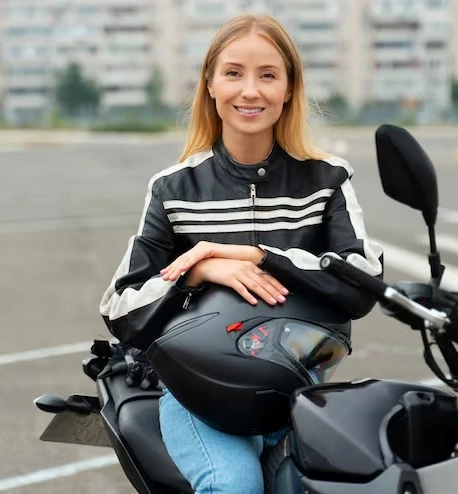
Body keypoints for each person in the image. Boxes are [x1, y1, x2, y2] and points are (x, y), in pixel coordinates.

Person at [99, 13, 384, 494]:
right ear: (210, 84)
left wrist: (258, 256)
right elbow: (118, 306)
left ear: (289, 88)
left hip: (299, 389)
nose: (250, 91)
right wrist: (197, 271)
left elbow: (360, 281)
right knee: (235, 485)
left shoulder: (327, 178)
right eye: (233, 73)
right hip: (198, 395)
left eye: (267, 75)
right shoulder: (173, 189)